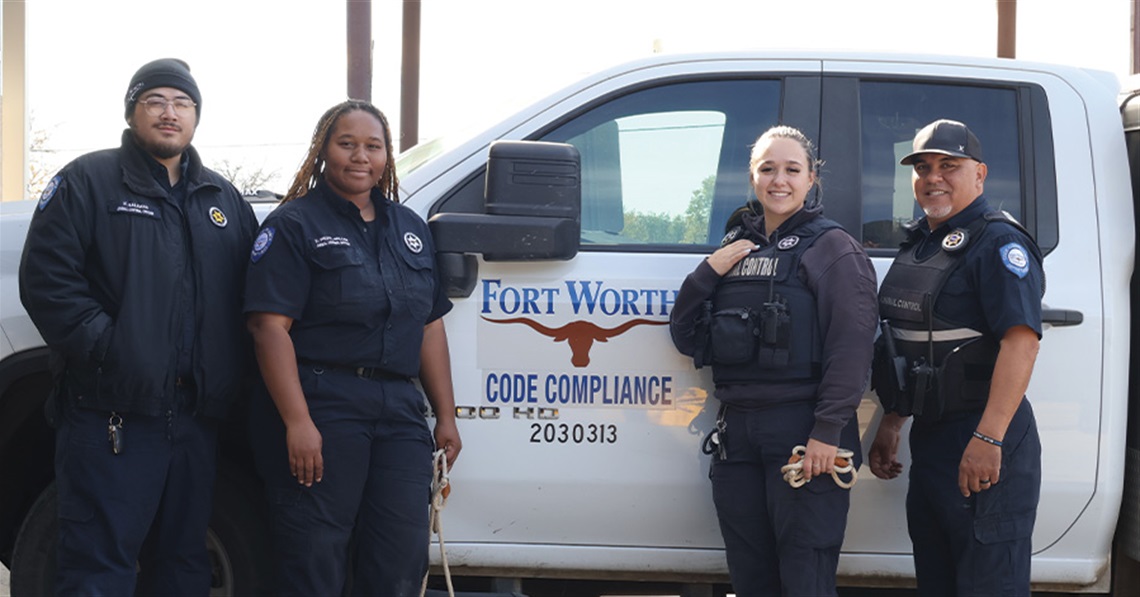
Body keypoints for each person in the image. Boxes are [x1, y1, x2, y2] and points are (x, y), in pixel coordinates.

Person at [17, 58, 257, 595]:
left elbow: (251, 300)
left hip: (195, 422)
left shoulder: (223, 202)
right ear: (131, 113)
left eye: (182, 104)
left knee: (185, 566)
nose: (169, 113)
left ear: (196, 117)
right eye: (155, 101)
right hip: (112, 417)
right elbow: (47, 281)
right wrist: (112, 350)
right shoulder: (88, 181)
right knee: (98, 565)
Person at [243, 99, 462, 596]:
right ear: (324, 151)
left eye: (373, 146)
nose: (360, 156)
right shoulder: (293, 225)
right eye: (347, 144)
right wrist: (298, 423)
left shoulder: (410, 229)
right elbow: (268, 329)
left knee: (400, 555)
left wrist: (446, 416)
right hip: (324, 405)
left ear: (387, 155)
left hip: (400, 413)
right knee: (315, 556)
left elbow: (429, 325)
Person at [669, 125, 879, 596]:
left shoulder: (832, 248)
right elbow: (686, 336)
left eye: (791, 169)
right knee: (750, 577)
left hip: (804, 435)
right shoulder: (735, 250)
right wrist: (707, 273)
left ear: (811, 180)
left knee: (805, 576)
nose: (778, 180)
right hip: (738, 436)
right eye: (767, 169)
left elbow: (852, 348)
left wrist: (826, 431)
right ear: (752, 177)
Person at [868, 119, 1044, 596]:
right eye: (923, 167)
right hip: (933, 440)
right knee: (938, 581)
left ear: (980, 174)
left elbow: (1021, 342)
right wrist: (892, 419)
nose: (933, 178)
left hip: (985, 437)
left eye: (950, 166)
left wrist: (989, 438)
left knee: (988, 584)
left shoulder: (998, 244)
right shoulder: (923, 243)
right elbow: (914, 342)